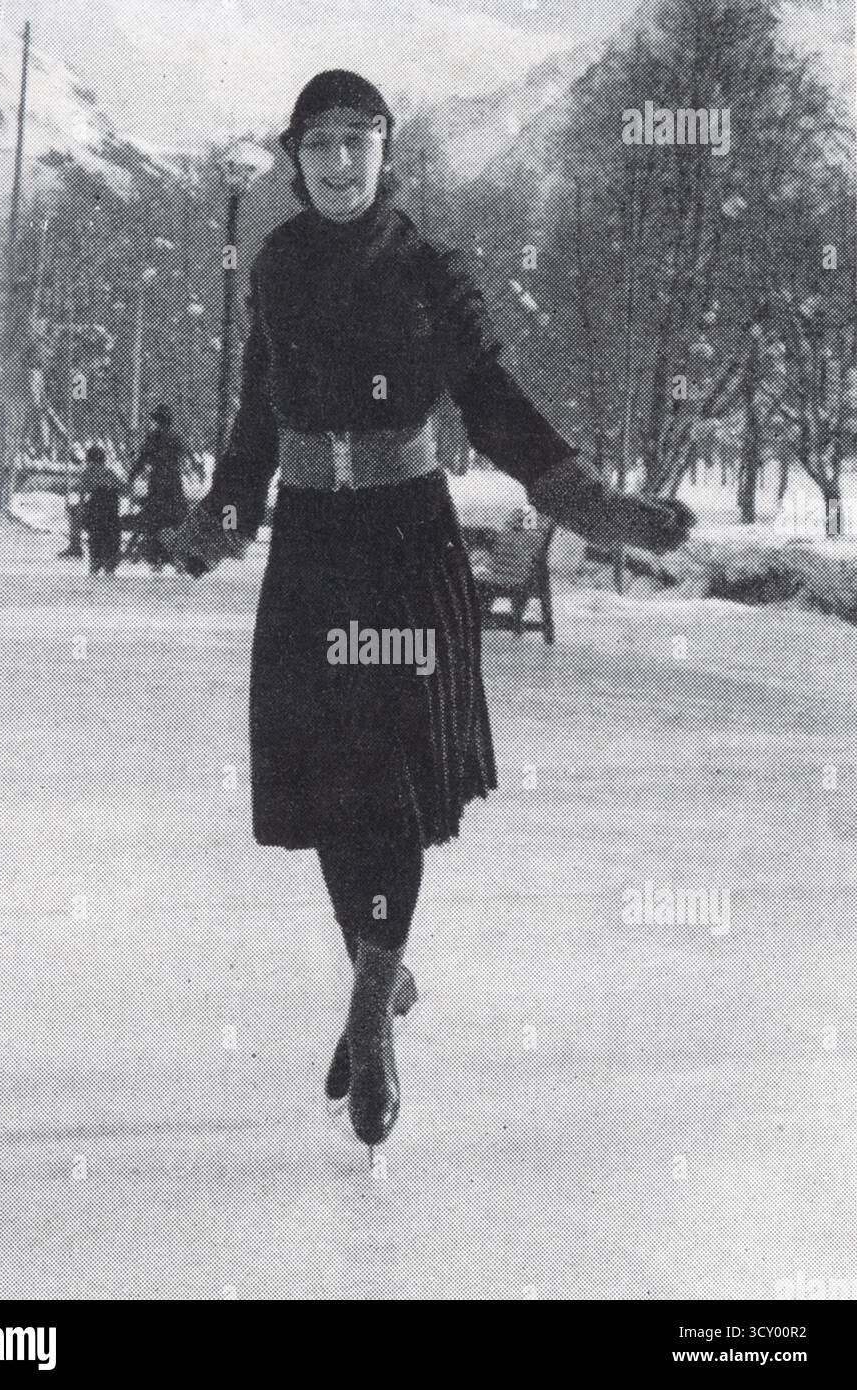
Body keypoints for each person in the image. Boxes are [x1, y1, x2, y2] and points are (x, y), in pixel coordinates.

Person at [166, 70, 695, 1153]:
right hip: (313, 545)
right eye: (318, 142)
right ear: (295, 156)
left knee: (394, 778)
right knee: (324, 779)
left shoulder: (426, 270)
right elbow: (257, 419)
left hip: (406, 543)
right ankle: (384, 972)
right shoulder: (275, 267)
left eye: (357, 140)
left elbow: (491, 401)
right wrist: (220, 513)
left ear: (385, 151)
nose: (338, 161)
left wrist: (585, 499)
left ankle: (369, 1011)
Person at [126, 405, 190, 571]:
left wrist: (132, 476)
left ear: (157, 421)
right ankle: (178, 559)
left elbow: (142, 460)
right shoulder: (177, 438)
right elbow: (183, 458)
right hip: (174, 485)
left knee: (155, 521)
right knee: (176, 521)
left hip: (157, 485)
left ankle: (157, 559)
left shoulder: (153, 438)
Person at [78, 445, 124, 574]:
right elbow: (122, 488)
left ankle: (95, 561)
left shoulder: (87, 472)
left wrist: (83, 509)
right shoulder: (109, 472)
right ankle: (109, 562)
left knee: (95, 536)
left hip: (95, 510)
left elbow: (82, 491)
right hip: (110, 510)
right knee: (111, 536)